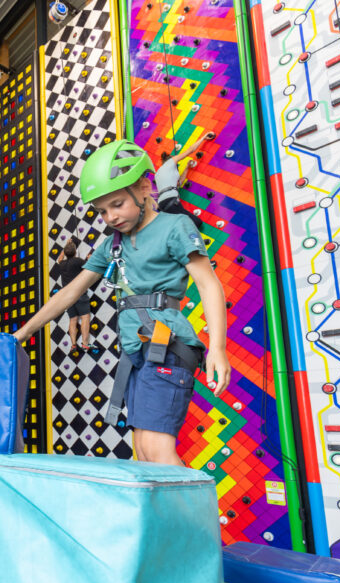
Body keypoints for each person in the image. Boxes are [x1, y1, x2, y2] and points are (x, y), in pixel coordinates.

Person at [14, 139, 231, 467]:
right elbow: (70, 292)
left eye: (117, 204)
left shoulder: (174, 227)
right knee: (144, 452)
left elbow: (207, 284)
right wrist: (22, 334)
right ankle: (163, 519)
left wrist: (218, 347)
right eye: (102, 211)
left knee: (158, 451)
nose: (110, 217)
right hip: (137, 354)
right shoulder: (112, 244)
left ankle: (194, 518)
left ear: (145, 187)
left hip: (167, 347)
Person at [155, 132, 215, 229]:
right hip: (171, 202)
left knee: (182, 226)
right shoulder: (171, 162)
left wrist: (187, 167)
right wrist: (203, 137)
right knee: (196, 223)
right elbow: (190, 150)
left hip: (163, 205)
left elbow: (178, 184)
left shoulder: (158, 174)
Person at [56, 238, 91, 352]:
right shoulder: (78, 261)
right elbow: (88, 267)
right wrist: (89, 259)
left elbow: (60, 258)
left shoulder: (62, 264)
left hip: (67, 297)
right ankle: (85, 343)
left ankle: (73, 345)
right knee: (85, 317)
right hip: (79, 293)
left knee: (73, 319)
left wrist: (66, 246)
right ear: (75, 251)